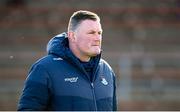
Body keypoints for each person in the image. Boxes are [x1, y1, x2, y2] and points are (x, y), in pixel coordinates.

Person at [18, 10, 117, 111]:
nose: (97, 38)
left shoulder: (107, 71)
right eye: (91, 33)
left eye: (99, 33)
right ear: (72, 36)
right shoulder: (44, 68)